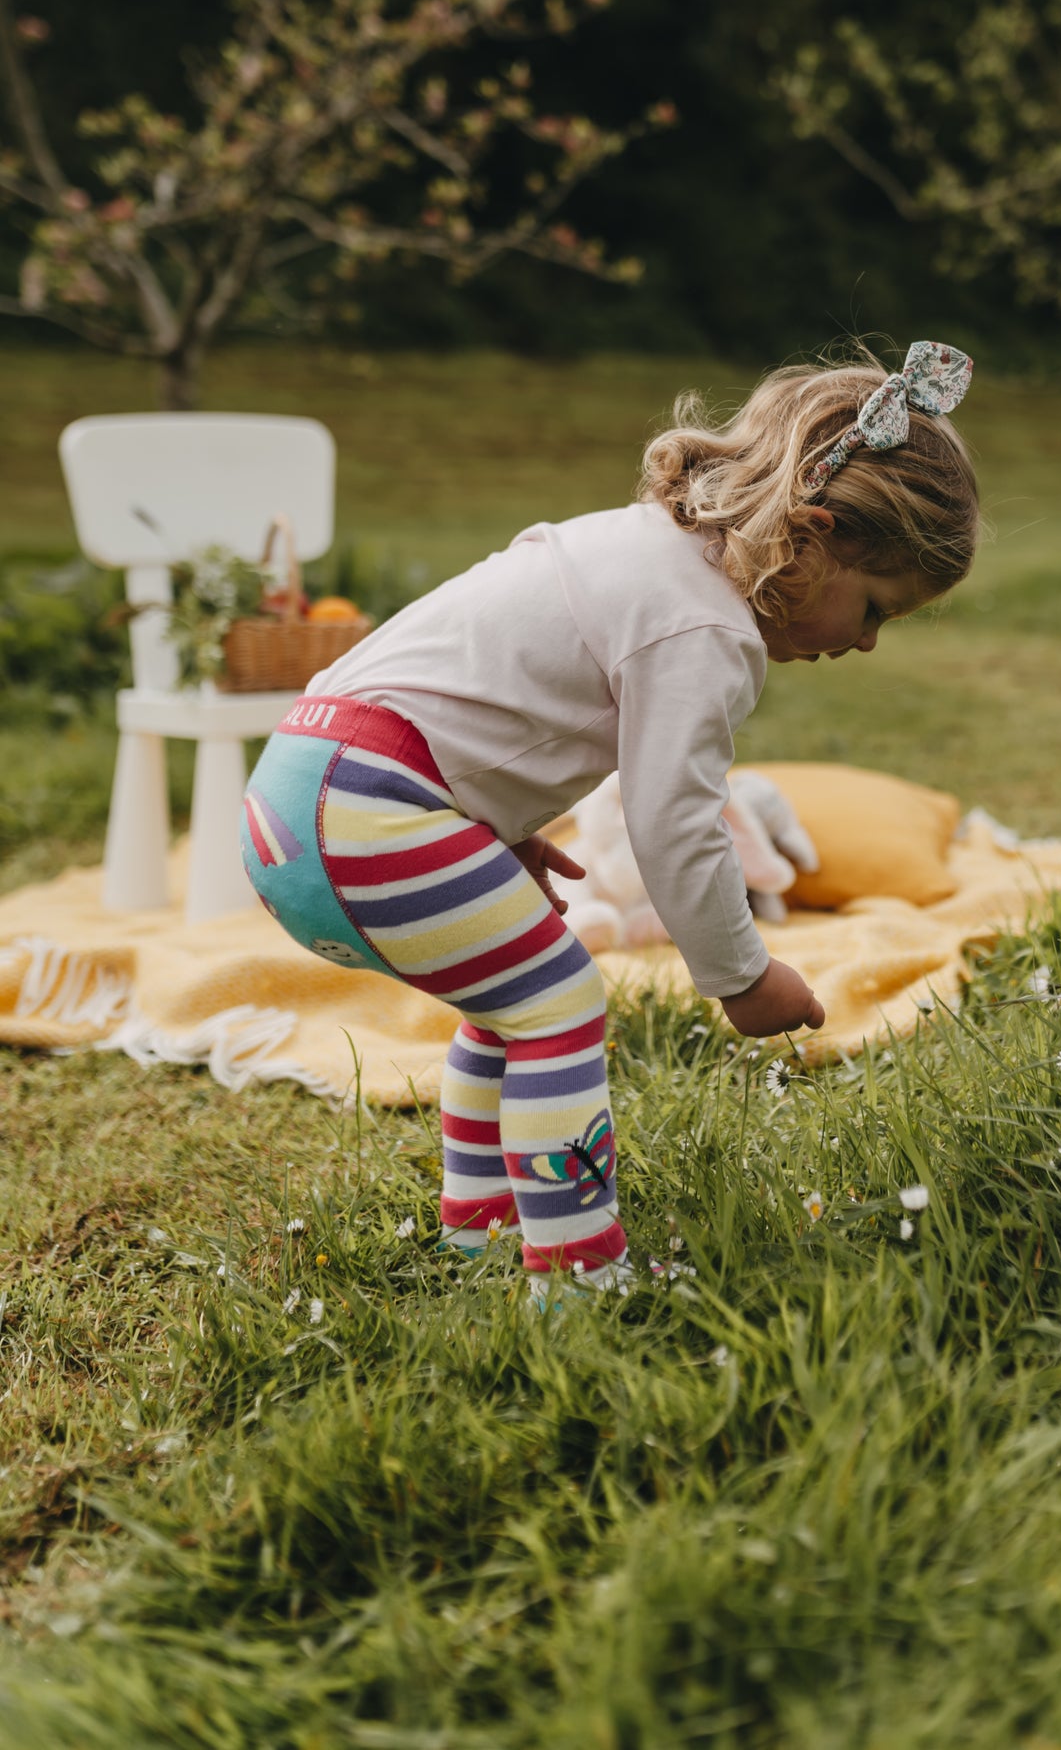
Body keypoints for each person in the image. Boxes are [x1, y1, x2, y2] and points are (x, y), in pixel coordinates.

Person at [239, 343, 978, 1297]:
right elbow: (674, 821)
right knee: (561, 1006)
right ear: (816, 533)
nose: (866, 641)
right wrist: (740, 975)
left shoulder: (627, 545)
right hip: (372, 812)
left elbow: (466, 692)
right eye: (875, 606)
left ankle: (479, 1233)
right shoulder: (705, 625)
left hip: (306, 797)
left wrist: (488, 828)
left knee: (508, 1007)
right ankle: (578, 1274)